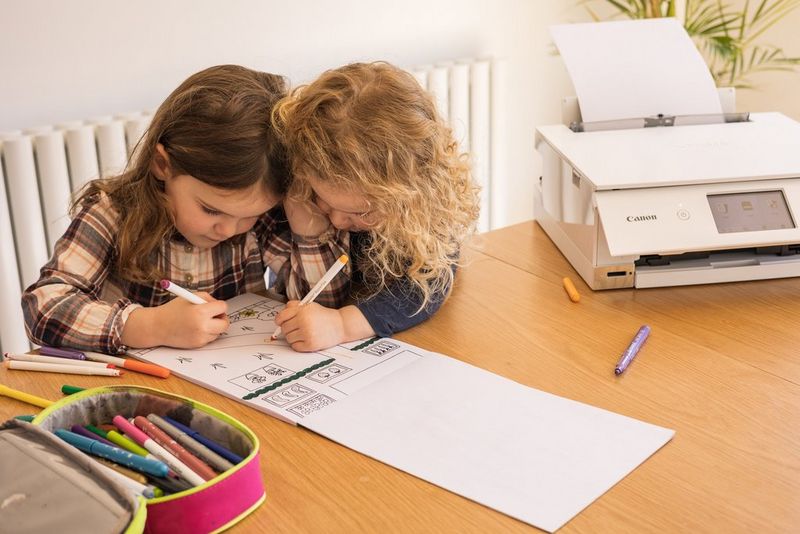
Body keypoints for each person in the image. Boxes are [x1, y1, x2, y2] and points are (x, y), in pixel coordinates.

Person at [22, 65, 347, 354]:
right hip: (133, 394)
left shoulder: (261, 218)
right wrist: (153, 325)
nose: (229, 229)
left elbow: (320, 307)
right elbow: (44, 307)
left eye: (247, 215)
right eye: (210, 210)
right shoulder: (113, 213)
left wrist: (308, 230)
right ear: (162, 164)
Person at [271, 61, 481, 351]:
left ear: (411, 196)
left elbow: (428, 285)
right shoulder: (303, 190)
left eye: (361, 213)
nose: (339, 221)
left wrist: (343, 325)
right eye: (325, 202)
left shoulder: (419, 217)